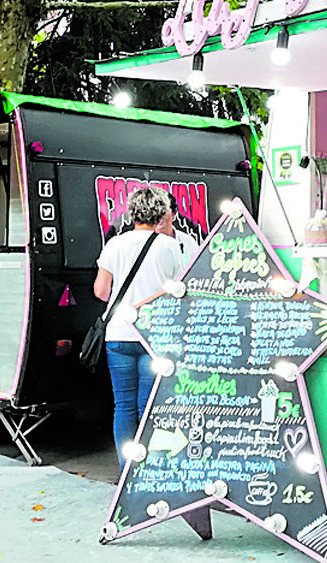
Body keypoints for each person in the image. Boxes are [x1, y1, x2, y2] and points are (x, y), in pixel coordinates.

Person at [93, 186, 184, 466]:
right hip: (154, 337)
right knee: (149, 407)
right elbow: (179, 290)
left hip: (118, 335)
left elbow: (100, 291)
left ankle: (125, 470)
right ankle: (147, 472)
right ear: (160, 214)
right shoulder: (169, 246)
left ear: (132, 213)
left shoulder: (114, 245)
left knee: (123, 405)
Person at [156, 193, 201, 263]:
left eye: (163, 210)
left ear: (174, 213)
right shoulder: (141, 242)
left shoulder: (188, 241)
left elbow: (198, 268)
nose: (158, 215)